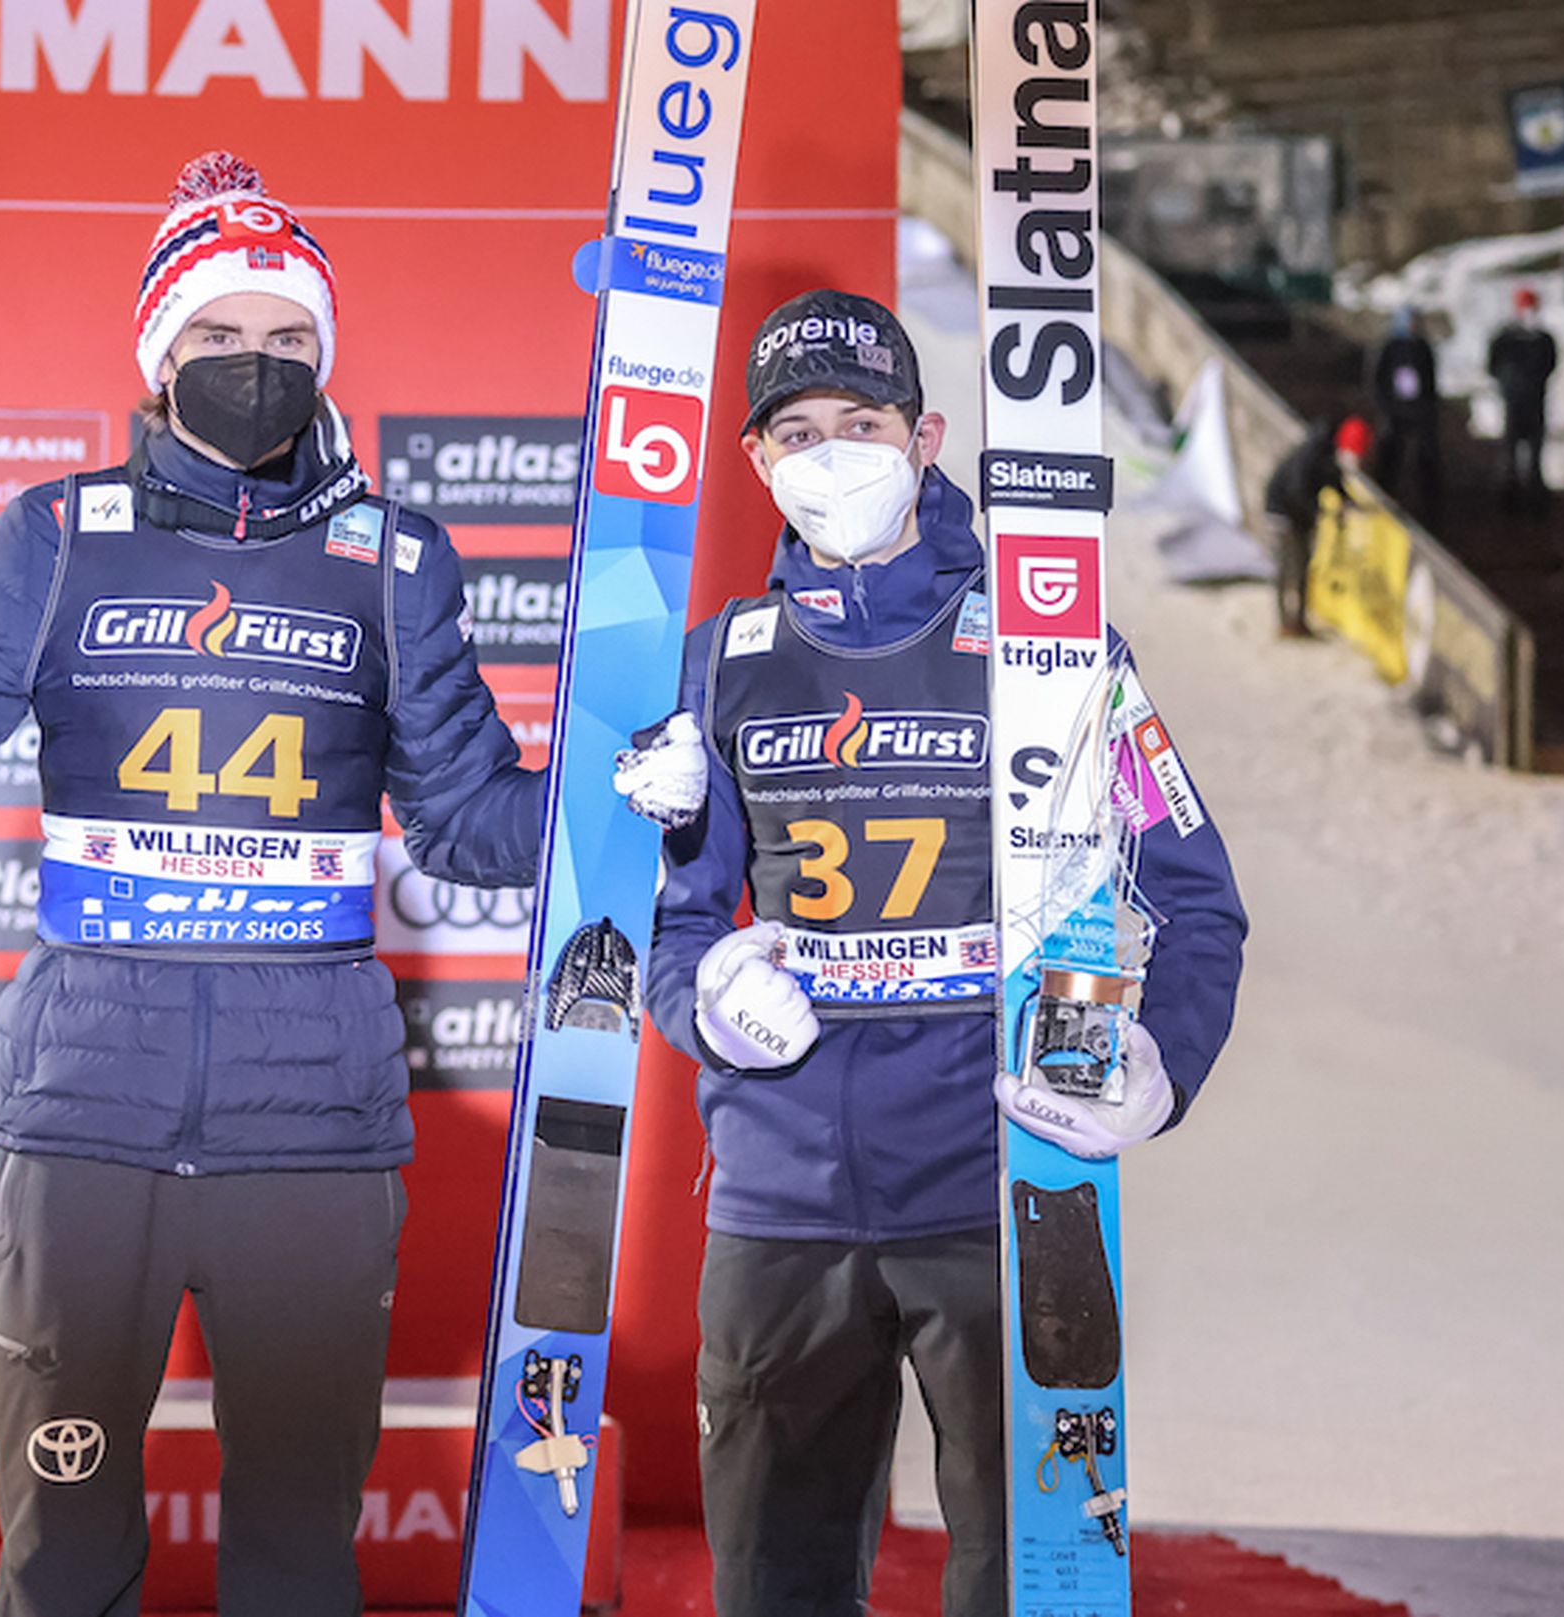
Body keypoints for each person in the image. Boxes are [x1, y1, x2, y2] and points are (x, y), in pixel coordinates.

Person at [0, 152, 544, 1616]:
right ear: (155, 354)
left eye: (288, 341)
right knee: (63, 1562)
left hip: (312, 1127)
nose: (254, 367)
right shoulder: (61, 539)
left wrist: (638, 800)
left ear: (326, 359)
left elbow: (467, 827)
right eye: (216, 338)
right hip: (85, 1121)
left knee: (301, 1561)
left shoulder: (396, 560)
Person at [612, 290, 1248, 1617]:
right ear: (757, 461)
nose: (834, 453)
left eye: (864, 422)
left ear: (928, 435)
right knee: (774, 1584)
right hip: (782, 1199)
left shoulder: (1048, 651)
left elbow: (1194, 897)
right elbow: (670, 926)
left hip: (1002, 1183)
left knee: (1030, 1577)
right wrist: (708, 1000)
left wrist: (1158, 1061)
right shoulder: (720, 666)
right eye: (798, 430)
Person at [1260, 414, 1367, 637]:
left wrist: (1347, 501)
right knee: (1291, 567)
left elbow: (1332, 481)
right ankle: (1288, 622)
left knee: (1301, 566)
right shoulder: (1311, 455)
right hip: (1283, 512)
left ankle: (1297, 620)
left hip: (1297, 514)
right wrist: (1320, 512)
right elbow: (1297, 490)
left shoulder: (1325, 454)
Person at [1489, 286, 1559, 514]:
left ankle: (1536, 502)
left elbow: (1551, 363)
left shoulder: (1543, 338)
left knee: (1535, 453)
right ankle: (1508, 500)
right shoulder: (1506, 338)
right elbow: (1493, 364)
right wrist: (1509, 384)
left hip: (1536, 402)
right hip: (1514, 401)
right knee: (1510, 451)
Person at [1367, 304, 1441, 516]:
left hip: (1419, 410)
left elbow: (1430, 380)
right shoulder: (1389, 347)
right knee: (1390, 453)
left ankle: (1428, 504)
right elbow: (1377, 379)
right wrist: (1386, 405)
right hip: (1394, 410)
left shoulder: (1423, 348)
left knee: (1425, 456)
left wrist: (1428, 407)